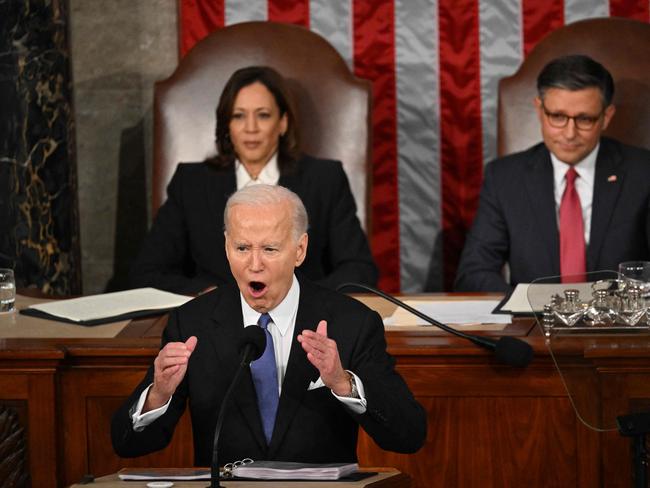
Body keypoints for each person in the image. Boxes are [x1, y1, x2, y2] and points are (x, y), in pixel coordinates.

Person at [112, 184, 426, 465]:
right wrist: (158, 395)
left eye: (270, 249)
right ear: (226, 246)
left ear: (299, 250)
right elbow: (127, 444)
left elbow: (409, 435)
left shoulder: (351, 323)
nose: (254, 264)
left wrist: (344, 383)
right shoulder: (193, 323)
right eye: (242, 248)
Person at [129, 66, 378, 295]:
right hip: (215, 325)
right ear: (227, 125)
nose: (251, 128)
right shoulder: (191, 183)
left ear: (282, 123)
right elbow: (147, 274)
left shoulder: (324, 179)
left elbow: (359, 270)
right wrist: (211, 295)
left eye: (263, 115)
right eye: (238, 116)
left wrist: (296, 299)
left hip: (304, 326)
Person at [455, 54, 650, 292]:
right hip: (534, 323)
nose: (569, 133)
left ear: (606, 117)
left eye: (585, 119)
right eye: (557, 116)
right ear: (539, 110)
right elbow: (474, 273)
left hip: (619, 324)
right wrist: (527, 305)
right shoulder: (504, 178)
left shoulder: (642, 173)